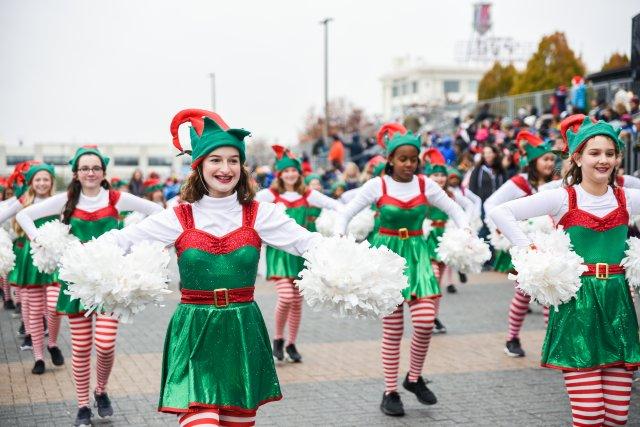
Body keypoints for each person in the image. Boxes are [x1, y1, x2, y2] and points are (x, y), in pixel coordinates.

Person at [99, 109, 326, 427]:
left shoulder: (261, 214)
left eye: (233, 160)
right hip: (195, 330)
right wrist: (87, 263)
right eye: (216, 160)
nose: (226, 168)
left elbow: (309, 244)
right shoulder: (178, 215)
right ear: (200, 166)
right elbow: (123, 242)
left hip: (241, 329)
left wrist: (351, 266)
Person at [489, 117, 640, 426]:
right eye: (595, 153)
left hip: (618, 304)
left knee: (617, 418)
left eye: (610, 153)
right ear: (577, 157)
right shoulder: (562, 197)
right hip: (578, 305)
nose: (603, 160)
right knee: (589, 417)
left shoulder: (626, 197)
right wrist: (529, 249)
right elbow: (499, 210)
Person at [16, 146, 162, 427]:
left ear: (103, 171)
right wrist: (40, 239)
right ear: (76, 173)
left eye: (95, 168)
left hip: (110, 284)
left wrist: (134, 240)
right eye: (85, 168)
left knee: (105, 345)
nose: (91, 173)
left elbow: (156, 210)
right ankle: (83, 404)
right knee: (82, 348)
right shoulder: (66, 200)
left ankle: (101, 390)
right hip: (77, 283)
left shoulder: (117, 199)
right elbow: (25, 216)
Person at [336, 124, 469, 417]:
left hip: (419, 254)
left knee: (424, 321)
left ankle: (413, 378)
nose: (409, 164)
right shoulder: (378, 185)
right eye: (403, 159)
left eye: (413, 159)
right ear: (391, 160)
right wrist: (339, 241)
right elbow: (345, 212)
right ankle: (390, 391)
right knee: (393, 329)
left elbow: (456, 210)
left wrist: (465, 234)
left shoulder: (426, 185)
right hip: (387, 254)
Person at [255, 145, 341, 363]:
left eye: (294, 171)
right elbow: (246, 205)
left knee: (297, 301)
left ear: (299, 173)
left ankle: (291, 343)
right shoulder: (270, 195)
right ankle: (277, 339)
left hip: (301, 253)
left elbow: (336, 206)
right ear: (280, 174)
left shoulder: (308, 194)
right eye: (286, 171)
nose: (290, 174)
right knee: (286, 296)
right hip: (279, 254)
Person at [484, 131, 556, 358]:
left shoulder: (556, 184)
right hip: (526, 245)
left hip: (551, 244)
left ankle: (550, 343)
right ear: (533, 162)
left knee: (551, 293)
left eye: (552, 159)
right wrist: (501, 229)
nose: (550, 163)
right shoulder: (518, 183)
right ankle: (512, 338)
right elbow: (491, 203)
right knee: (523, 293)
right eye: (545, 159)